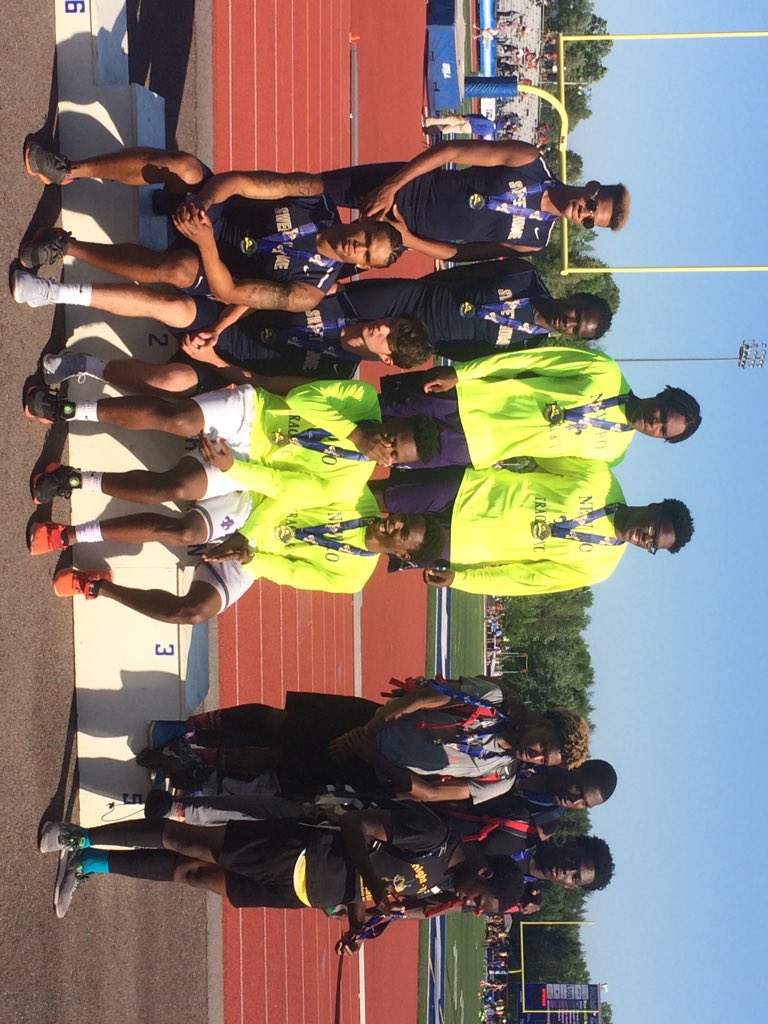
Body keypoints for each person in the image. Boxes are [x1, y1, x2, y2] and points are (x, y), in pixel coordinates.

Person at [22, 139, 628, 264]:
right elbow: (451, 151)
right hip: (394, 185)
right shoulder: (529, 160)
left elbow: (458, 253)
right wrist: (393, 186)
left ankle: (194, 231)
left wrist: (406, 238)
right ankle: (72, 172)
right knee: (295, 185)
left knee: (293, 251)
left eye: (590, 223)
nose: (584, 215)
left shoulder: (533, 242)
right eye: (591, 206)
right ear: (590, 189)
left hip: (389, 235)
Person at [20, 143, 404, 313]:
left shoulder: (310, 293)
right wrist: (202, 206)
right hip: (217, 210)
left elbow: (230, 291)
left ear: (364, 266)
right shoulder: (313, 195)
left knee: (177, 271)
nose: (359, 247)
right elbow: (240, 181)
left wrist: (204, 242)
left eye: (367, 255)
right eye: (368, 238)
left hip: (214, 262)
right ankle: (70, 170)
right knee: (185, 166)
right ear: (365, 221)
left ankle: (65, 246)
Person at [38, 803, 526, 932]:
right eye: (480, 902)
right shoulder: (434, 837)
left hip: (299, 894)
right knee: (187, 840)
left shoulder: (440, 883)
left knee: (193, 874)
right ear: (485, 874)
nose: (471, 906)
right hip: (296, 852)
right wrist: (373, 884)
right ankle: (78, 834)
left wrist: (357, 923)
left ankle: (90, 863)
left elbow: (365, 892)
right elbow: (355, 824)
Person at [137, 676, 590, 805]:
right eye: (544, 744)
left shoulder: (500, 779)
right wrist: (366, 733)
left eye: (544, 761)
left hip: (369, 767)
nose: (536, 755)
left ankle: (193, 760)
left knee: (276, 764)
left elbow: (433, 793)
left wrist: (367, 753)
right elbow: (422, 699)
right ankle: (188, 729)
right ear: (544, 722)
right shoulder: (494, 700)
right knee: (278, 722)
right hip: (367, 721)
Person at [12, 268, 433, 393]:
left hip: (221, 364)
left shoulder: (336, 376)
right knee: (174, 307)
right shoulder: (338, 299)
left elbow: (262, 382)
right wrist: (217, 329)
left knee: (168, 382)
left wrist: (212, 358)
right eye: (393, 323)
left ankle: (83, 364)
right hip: (224, 322)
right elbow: (262, 292)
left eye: (390, 337)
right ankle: (51, 291)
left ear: (387, 358)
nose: (382, 327)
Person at [373, 459, 695, 594]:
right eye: (654, 530)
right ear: (653, 507)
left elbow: (524, 580)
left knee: (376, 538)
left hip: (459, 544)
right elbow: (536, 450)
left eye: (653, 545)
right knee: (379, 497)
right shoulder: (601, 477)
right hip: (467, 489)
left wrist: (463, 579)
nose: (646, 538)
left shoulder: (599, 567)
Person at [378, 346, 702, 469]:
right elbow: (530, 359)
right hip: (466, 401)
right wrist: (462, 373)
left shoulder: (613, 455)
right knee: (374, 410)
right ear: (661, 397)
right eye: (662, 415)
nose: (654, 423)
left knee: (382, 453)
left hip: (473, 449)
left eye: (662, 431)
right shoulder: (606, 371)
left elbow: (548, 465)